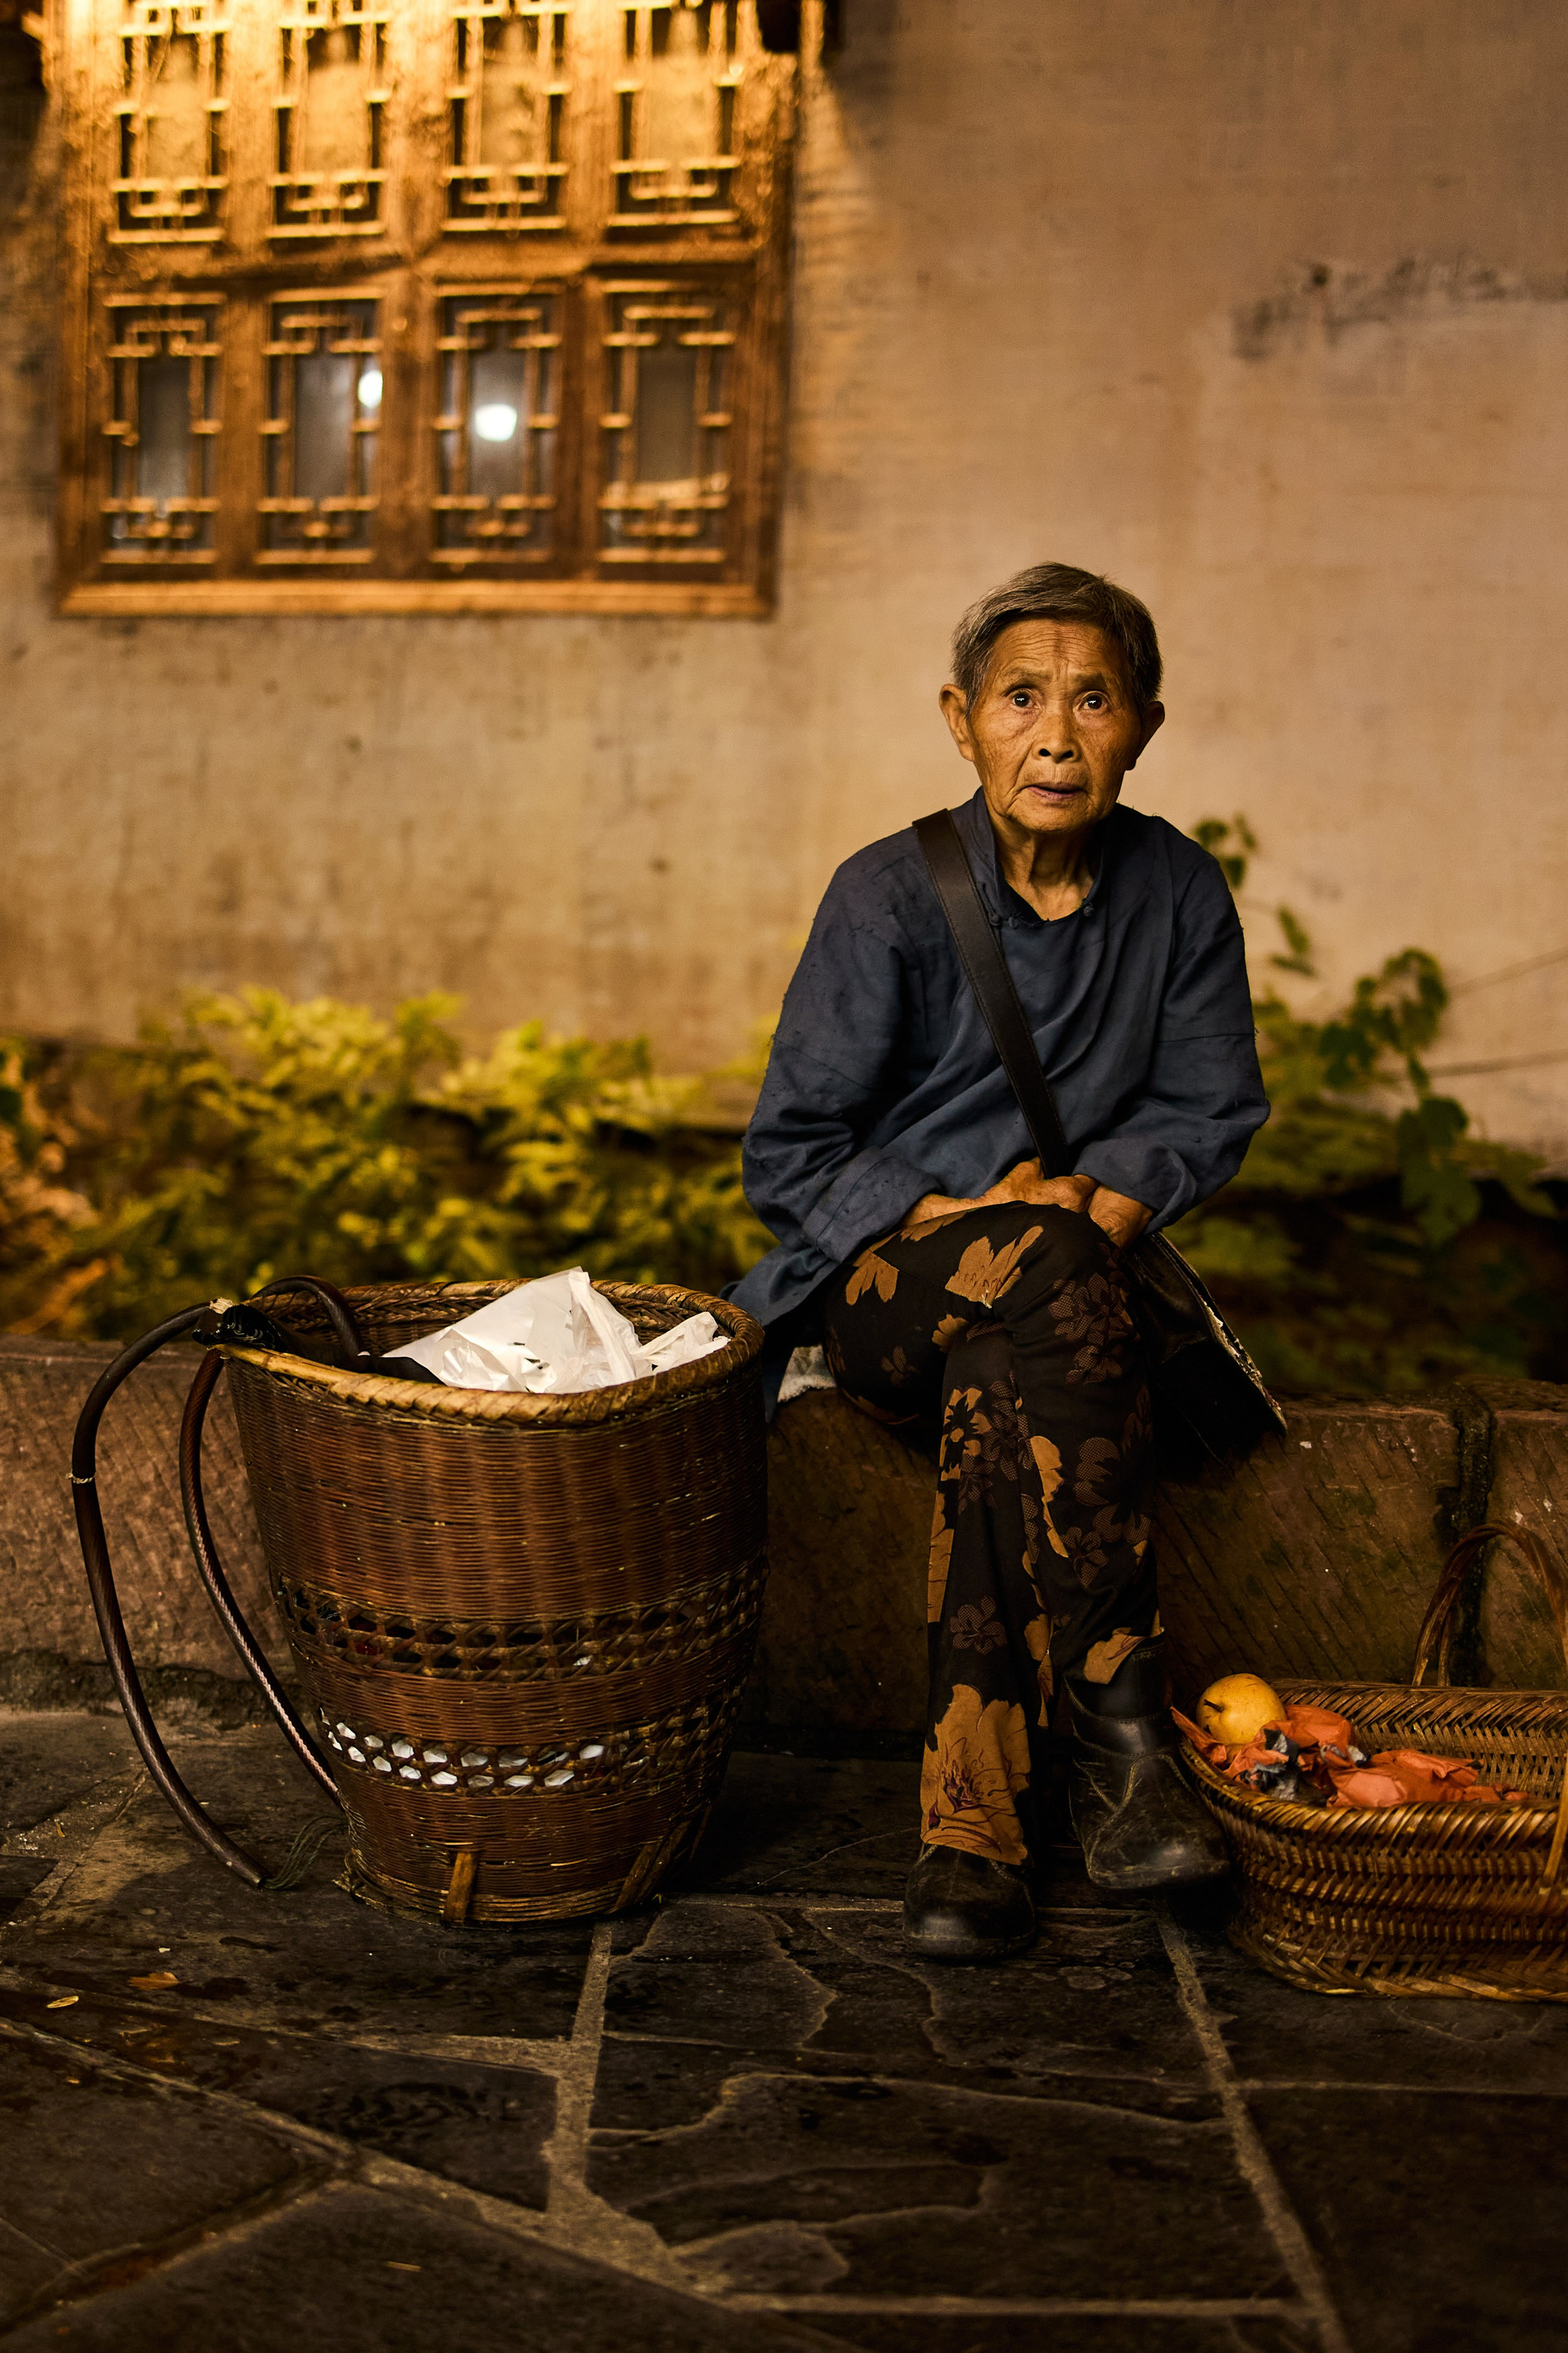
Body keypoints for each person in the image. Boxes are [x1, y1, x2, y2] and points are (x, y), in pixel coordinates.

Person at [731, 562, 1270, 1963]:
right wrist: (966, 1211)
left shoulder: (1175, 891)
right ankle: (1126, 1723)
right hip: (874, 1296)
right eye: (1020, 698)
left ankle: (966, 1839)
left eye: (1091, 700)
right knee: (1022, 1267)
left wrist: (1107, 1202)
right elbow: (789, 1158)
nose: (1054, 734)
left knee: (1001, 1398)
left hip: (1048, 1316)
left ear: (1142, 727)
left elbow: (1207, 1112)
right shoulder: (889, 897)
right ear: (958, 720)